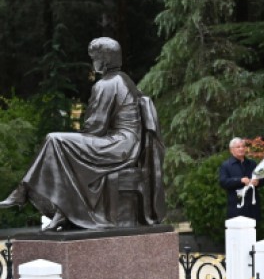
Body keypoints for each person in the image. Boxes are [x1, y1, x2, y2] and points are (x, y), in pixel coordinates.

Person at [0, 37, 164, 231]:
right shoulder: (123, 79)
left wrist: (78, 138)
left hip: (119, 146)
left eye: (95, 58)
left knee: (55, 140)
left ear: (105, 59)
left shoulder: (107, 84)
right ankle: (60, 209)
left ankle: (28, 192)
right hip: (126, 145)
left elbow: (95, 127)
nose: (93, 62)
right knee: (59, 144)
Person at [218, 138, 264, 223]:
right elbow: (223, 182)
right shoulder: (226, 165)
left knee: (253, 232)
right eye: (238, 147)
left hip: (252, 206)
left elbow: (262, 178)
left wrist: (258, 182)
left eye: (243, 146)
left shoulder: (252, 163)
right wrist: (240, 181)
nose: (241, 149)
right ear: (232, 150)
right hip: (236, 206)